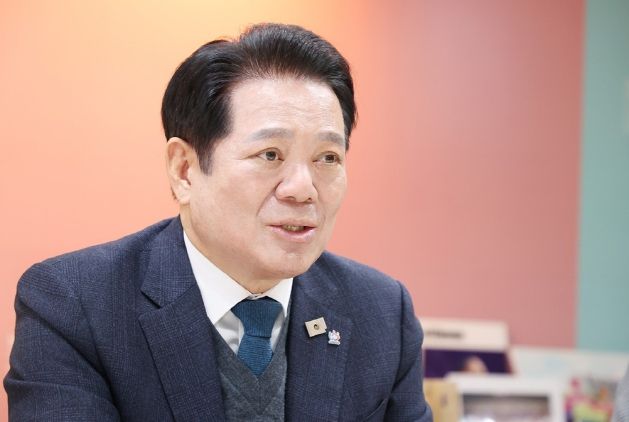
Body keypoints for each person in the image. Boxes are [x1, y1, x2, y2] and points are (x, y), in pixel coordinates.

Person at [4, 23, 432, 421]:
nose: (303, 189)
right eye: (270, 155)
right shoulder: (75, 304)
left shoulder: (381, 312)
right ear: (185, 169)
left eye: (328, 158)